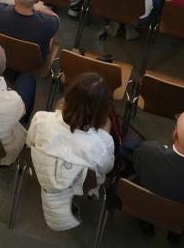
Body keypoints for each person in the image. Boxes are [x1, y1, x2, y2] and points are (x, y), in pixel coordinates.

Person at [26, 73, 116, 231]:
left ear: (68, 96)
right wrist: (106, 132)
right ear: (102, 110)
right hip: (84, 187)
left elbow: (29, 143)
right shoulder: (103, 143)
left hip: (42, 173)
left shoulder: (40, 119)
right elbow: (106, 169)